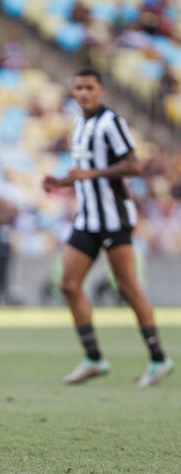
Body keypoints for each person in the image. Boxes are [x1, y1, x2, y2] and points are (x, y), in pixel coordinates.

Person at [43, 68, 173, 387]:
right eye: (78, 88)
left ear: (101, 91)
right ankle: (94, 358)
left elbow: (134, 165)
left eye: (89, 87)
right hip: (88, 218)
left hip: (114, 218)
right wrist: (62, 181)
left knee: (128, 287)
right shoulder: (80, 123)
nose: (83, 93)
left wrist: (95, 173)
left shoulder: (110, 123)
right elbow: (85, 172)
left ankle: (158, 359)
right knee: (69, 284)